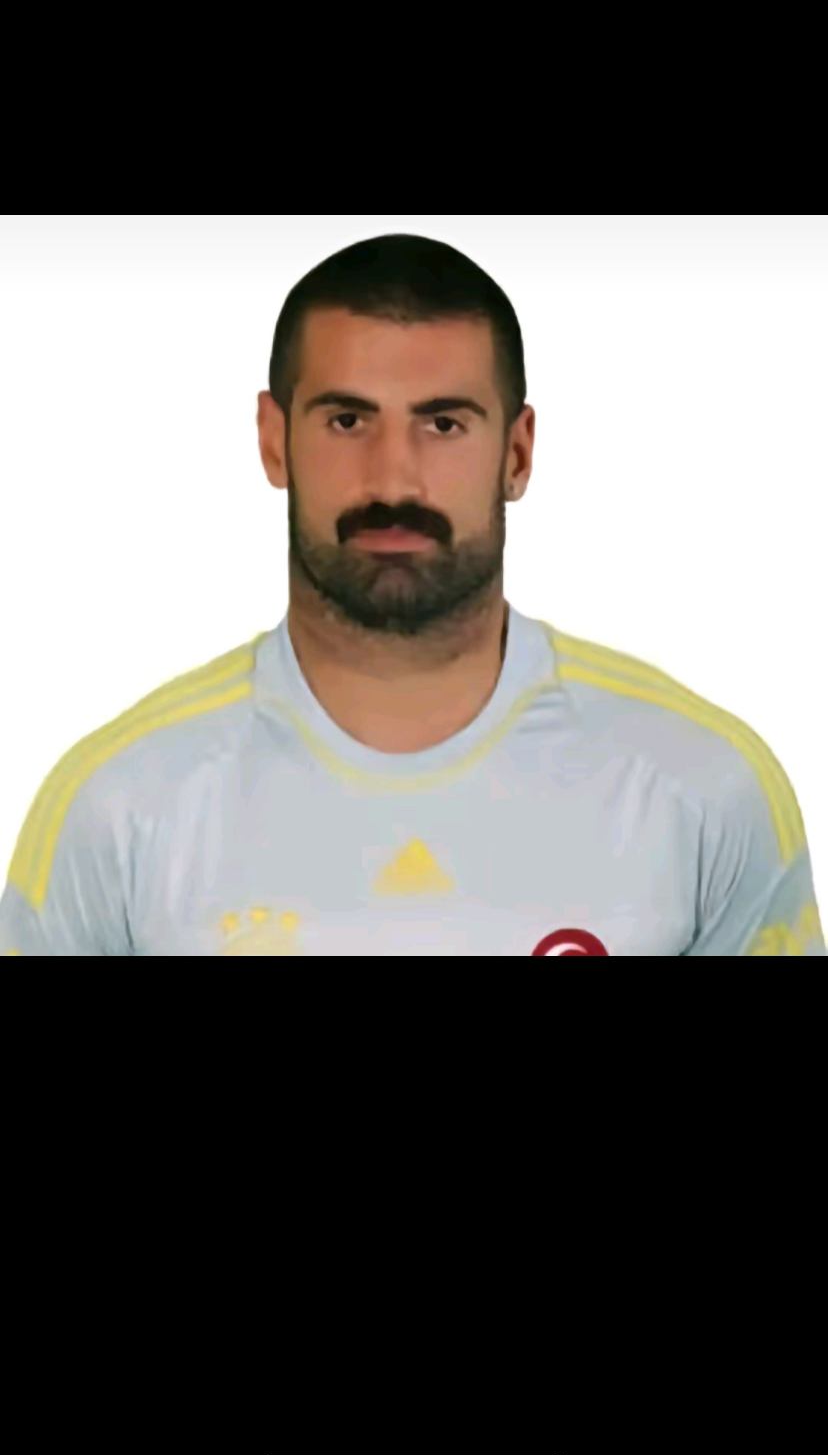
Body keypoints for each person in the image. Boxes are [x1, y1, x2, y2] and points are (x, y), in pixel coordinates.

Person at [1, 234, 824, 956]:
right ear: (273, 441)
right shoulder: (117, 807)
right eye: (347, 421)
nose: (393, 480)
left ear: (518, 454)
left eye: (443, 423)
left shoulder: (702, 787)